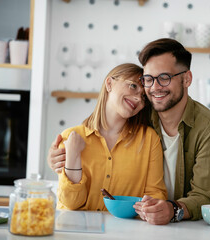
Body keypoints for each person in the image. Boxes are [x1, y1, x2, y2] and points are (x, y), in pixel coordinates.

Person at [48, 38, 210, 224]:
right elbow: (100, 128)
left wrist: (172, 209)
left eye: (164, 78)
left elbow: (204, 197)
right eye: (148, 79)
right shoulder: (138, 111)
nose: (155, 88)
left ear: (187, 79)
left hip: (177, 224)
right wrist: (60, 157)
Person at [55, 63, 167, 211]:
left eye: (144, 97)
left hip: (124, 232)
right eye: (133, 86)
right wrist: (73, 156)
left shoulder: (149, 139)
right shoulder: (70, 137)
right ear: (109, 83)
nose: (138, 99)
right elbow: (71, 203)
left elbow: (155, 195)